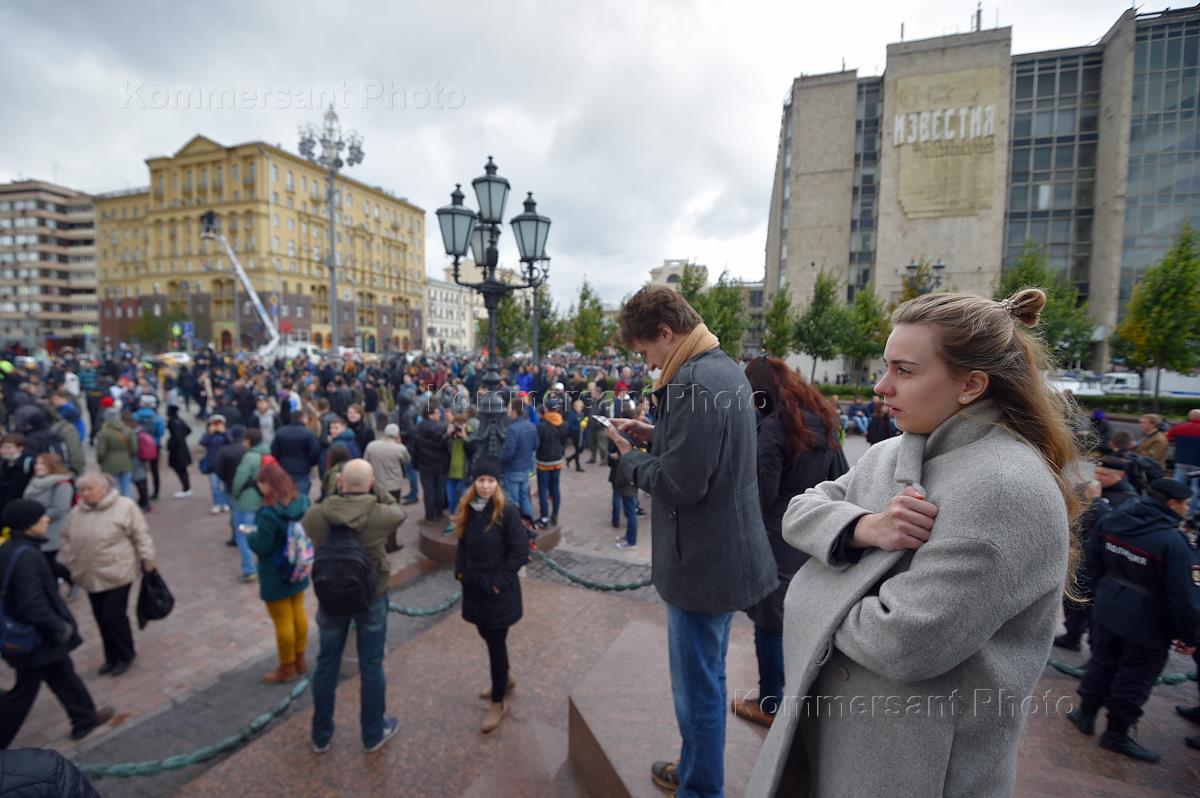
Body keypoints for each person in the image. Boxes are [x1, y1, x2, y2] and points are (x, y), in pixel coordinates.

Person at [746, 290, 1081, 797]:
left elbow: (902, 642)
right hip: (845, 740)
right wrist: (865, 527)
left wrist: (808, 583)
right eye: (886, 367)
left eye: (904, 370)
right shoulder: (890, 451)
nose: (882, 386)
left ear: (971, 385)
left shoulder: (1009, 489)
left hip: (915, 772)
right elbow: (800, 509)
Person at [606, 286, 776, 797]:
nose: (647, 361)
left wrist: (628, 458)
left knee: (699, 692)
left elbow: (683, 484)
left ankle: (701, 789)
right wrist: (651, 434)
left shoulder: (694, 380)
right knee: (708, 679)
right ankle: (697, 771)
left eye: (645, 350)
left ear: (665, 332)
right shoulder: (721, 367)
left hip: (703, 563)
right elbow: (707, 454)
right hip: (723, 556)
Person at [732, 357, 847, 729]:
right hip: (812, 533)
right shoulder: (825, 418)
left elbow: (761, 494)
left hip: (775, 535)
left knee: (769, 622)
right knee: (800, 619)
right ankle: (799, 698)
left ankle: (770, 702)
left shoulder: (772, 429)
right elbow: (840, 478)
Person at [1067, 478, 1200, 762]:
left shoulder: (1114, 519)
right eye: (1186, 503)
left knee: (1102, 662)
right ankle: (1116, 733)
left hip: (1107, 605)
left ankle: (1085, 713)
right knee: (1135, 677)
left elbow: (1092, 563)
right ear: (1172, 504)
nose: (1188, 508)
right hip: (1149, 620)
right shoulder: (1172, 542)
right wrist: (1189, 635)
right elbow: (1183, 597)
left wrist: (1092, 599)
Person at [303, 459, 405, 754]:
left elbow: (312, 516)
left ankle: (321, 734)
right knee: (371, 665)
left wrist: (334, 492)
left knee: (326, 664)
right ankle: (373, 733)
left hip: (331, 595)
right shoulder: (379, 515)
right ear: (371, 483)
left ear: (340, 483)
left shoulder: (317, 516)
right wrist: (378, 489)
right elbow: (398, 512)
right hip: (371, 595)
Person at [0, 499, 114, 748]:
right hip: (35, 636)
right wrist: (57, 626)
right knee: (23, 693)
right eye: (41, 517)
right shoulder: (27, 556)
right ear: (28, 525)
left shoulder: (11, 548)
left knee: (63, 673)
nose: (46, 519)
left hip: (37, 637)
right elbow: (32, 604)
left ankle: (84, 718)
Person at [453, 456, 529, 734]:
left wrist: (498, 582)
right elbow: (462, 541)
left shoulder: (507, 511)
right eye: (481, 480)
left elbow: (520, 551)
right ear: (474, 482)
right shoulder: (470, 507)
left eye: (490, 481)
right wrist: (460, 571)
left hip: (497, 590)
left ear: (497, 483)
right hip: (474, 585)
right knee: (484, 633)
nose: (485, 486)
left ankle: (498, 702)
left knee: (496, 642)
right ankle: (505, 677)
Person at [60, 474, 155, 678]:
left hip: (117, 572)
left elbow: (141, 534)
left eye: (89, 489)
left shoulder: (125, 506)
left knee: (113, 615)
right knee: (100, 616)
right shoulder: (77, 512)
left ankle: (125, 654)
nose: (85, 494)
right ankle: (111, 656)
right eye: (82, 490)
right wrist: (70, 561)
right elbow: (67, 538)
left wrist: (147, 558)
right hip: (89, 574)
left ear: (103, 489)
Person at [246, 462, 310, 684]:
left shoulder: (268, 513)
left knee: (282, 620)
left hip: (275, 570)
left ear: (269, 484)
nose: (259, 488)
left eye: (261, 484)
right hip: (298, 565)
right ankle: (300, 659)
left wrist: (249, 537)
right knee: (298, 611)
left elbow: (262, 546)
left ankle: (287, 667)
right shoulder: (299, 501)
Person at [1052, 480, 1112, 652]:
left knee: (1092, 610)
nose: (1101, 477)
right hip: (1082, 561)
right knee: (1073, 603)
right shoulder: (1085, 501)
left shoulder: (1104, 507)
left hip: (1095, 564)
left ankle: (1096, 651)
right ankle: (1073, 636)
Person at [21, 452, 76, 599]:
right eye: (37, 463)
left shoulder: (62, 484)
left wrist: (36, 518)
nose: (38, 467)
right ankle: (52, 591)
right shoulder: (36, 480)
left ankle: (71, 581)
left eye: (42, 464)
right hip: (34, 528)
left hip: (52, 529)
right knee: (44, 562)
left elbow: (60, 508)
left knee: (48, 562)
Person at [231, 428, 270, 583]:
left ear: (248, 441)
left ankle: (249, 569)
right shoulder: (267, 452)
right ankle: (263, 565)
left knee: (243, 534)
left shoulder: (250, 457)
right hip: (264, 498)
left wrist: (235, 494)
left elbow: (240, 477)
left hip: (248, 500)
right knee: (260, 532)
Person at [364, 424, 411, 551]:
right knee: (392, 515)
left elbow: (365, 461)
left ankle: (377, 541)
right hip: (393, 486)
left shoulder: (371, 446)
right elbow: (407, 460)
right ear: (397, 435)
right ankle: (391, 544)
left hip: (376, 484)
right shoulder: (399, 448)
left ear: (384, 433)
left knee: (376, 513)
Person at [410, 405, 450, 523]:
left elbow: (414, 448)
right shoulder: (443, 427)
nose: (439, 415)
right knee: (439, 488)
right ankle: (439, 512)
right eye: (437, 413)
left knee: (428, 489)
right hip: (439, 462)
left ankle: (430, 515)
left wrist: (415, 463)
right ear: (430, 414)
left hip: (425, 463)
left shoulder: (418, 428)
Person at [500, 397, 537, 520]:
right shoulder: (531, 426)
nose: (508, 410)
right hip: (525, 468)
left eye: (509, 408)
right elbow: (536, 445)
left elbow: (509, 452)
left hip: (512, 470)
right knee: (524, 498)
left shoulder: (512, 429)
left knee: (513, 502)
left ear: (515, 411)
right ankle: (530, 524)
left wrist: (500, 460)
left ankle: (516, 528)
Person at [534, 394, 569, 528]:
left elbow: (538, 444)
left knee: (543, 490)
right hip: (557, 460)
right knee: (555, 488)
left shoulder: (541, 426)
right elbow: (564, 442)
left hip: (543, 461)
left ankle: (544, 518)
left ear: (547, 409)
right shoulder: (564, 424)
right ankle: (554, 516)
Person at [271, 408, 321, 498]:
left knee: (284, 495)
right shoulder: (308, 433)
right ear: (302, 418)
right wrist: (310, 463)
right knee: (301, 497)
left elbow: (274, 451)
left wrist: (279, 462)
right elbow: (315, 452)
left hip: (284, 468)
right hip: (302, 469)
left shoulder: (281, 432)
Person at [95, 408, 137, 499]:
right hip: (126, 462)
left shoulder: (104, 432)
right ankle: (127, 509)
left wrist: (100, 461)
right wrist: (128, 456)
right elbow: (134, 448)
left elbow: (101, 451)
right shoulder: (127, 430)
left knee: (113, 490)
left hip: (109, 464)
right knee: (126, 489)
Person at [1167, 409, 1200, 511]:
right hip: (1197, 463)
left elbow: (1168, 438)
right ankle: (1191, 511)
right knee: (1195, 488)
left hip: (1180, 460)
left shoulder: (1179, 427)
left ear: (1189, 417)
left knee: (1178, 484)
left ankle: (1175, 507)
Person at [132, 395, 164, 501]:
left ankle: (143, 494)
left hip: (139, 446)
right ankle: (156, 492)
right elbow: (161, 432)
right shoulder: (157, 418)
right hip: (154, 446)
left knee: (141, 470)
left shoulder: (135, 416)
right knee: (154, 470)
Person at [200, 415, 231, 514]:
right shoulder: (208, 434)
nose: (217, 425)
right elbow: (203, 443)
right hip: (212, 464)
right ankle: (217, 503)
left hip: (225, 463)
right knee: (215, 485)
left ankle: (225, 503)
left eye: (219, 423)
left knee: (225, 485)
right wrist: (210, 433)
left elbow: (231, 442)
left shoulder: (226, 433)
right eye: (214, 423)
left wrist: (224, 432)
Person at [0, 433, 34, 519]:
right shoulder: (2, 463)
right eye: (2, 447)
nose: (3, 451)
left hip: (21, 507)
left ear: (20, 448)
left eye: (8, 447)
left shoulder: (29, 462)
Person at [165, 404, 193, 498]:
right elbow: (188, 430)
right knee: (182, 469)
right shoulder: (180, 420)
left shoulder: (173, 422)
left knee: (180, 469)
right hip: (183, 447)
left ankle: (186, 488)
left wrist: (170, 444)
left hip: (177, 450)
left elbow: (176, 437)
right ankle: (186, 487)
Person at [565, 398, 586, 472]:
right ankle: (578, 466)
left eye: (581, 407)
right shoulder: (571, 414)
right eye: (578, 406)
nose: (580, 408)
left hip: (581, 434)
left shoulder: (581, 414)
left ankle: (569, 459)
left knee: (581, 449)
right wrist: (578, 428)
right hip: (575, 435)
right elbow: (569, 425)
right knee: (578, 449)